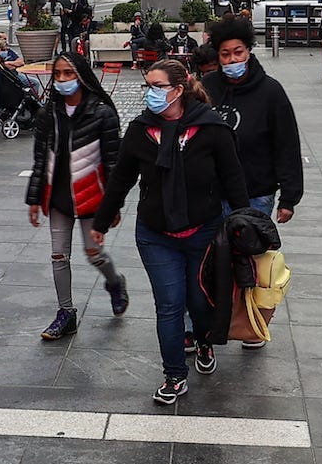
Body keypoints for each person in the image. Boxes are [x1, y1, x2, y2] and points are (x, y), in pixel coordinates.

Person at [91, 60, 248, 404]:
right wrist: (101, 222)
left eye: (156, 86)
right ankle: (175, 375)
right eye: (148, 84)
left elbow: (233, 178)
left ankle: (204, 340)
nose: (149, 92)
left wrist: (245, 223)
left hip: (203, 231)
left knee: (199, 301)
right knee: (169, 305)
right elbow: (121, 179)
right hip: (155, 234)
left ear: (178, 90)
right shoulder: (141, 130)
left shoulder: (211, 128)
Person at [27, 50, 132, 340]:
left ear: (82, 77)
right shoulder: (48, 113)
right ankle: (66, 313)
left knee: (93, 252)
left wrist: (114, 205)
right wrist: (34, 199)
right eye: (58, 74)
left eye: (68, 73)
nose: (62, 80)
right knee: (59, 255)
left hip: (91, 195)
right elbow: (39, 159)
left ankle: (114, 283)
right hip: (58, 194)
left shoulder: (102, 113)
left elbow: (113, 162)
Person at [200, 16, 305, 225]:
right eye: (225, 54)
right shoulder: (207, 86)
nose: (232, 60)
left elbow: (287, 145)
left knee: (248, 255)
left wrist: (289, 198)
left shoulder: (270, 91)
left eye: (238, 52)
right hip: (211, 194)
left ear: (248, 51)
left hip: (256, 193)